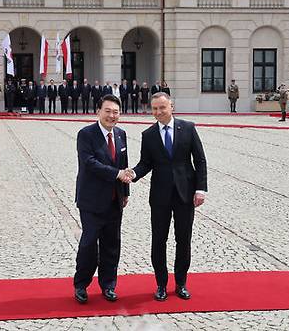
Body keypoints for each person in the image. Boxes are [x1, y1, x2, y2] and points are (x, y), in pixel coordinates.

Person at [128, 92, 207, 302]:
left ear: (171, 106)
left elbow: (199, 160)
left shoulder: (188, 128)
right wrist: (134, 173)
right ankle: (161, 284)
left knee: (183, 240)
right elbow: (146, 163)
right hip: (160, 196)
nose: (158, 112)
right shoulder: (149, 134)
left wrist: (201, 189)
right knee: (159, 241)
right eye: (154, 109)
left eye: (162, 108)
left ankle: (181, 283)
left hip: (185, 193)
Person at [73, 94, 130, 304]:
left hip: (115, 200)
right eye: (108, 111)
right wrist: (116, 174)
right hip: (91, 201)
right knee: (89, 244)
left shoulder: (121, 134)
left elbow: (124, 163)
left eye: (115, 112)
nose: (111, 116)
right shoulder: (86, 134)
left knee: (112, 245)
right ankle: (81, 284)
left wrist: (125, 193)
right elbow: (89, 163)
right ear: (98, 111)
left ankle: (108, 285)